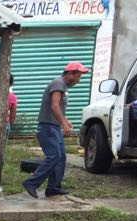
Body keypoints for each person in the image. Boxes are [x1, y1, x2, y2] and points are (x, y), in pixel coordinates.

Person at [23, 61, 89, 198]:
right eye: (78, 76)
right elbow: (54, 106)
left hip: (53, 126)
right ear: (70, 74)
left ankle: (53, 187)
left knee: (61, 157)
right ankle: (31, 183)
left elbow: (57, 107)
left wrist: (65, 121)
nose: (79, 80)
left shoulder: (62, 85)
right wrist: (64, 124)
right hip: (48, 127)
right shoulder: (58, 83)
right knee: (54, 156)